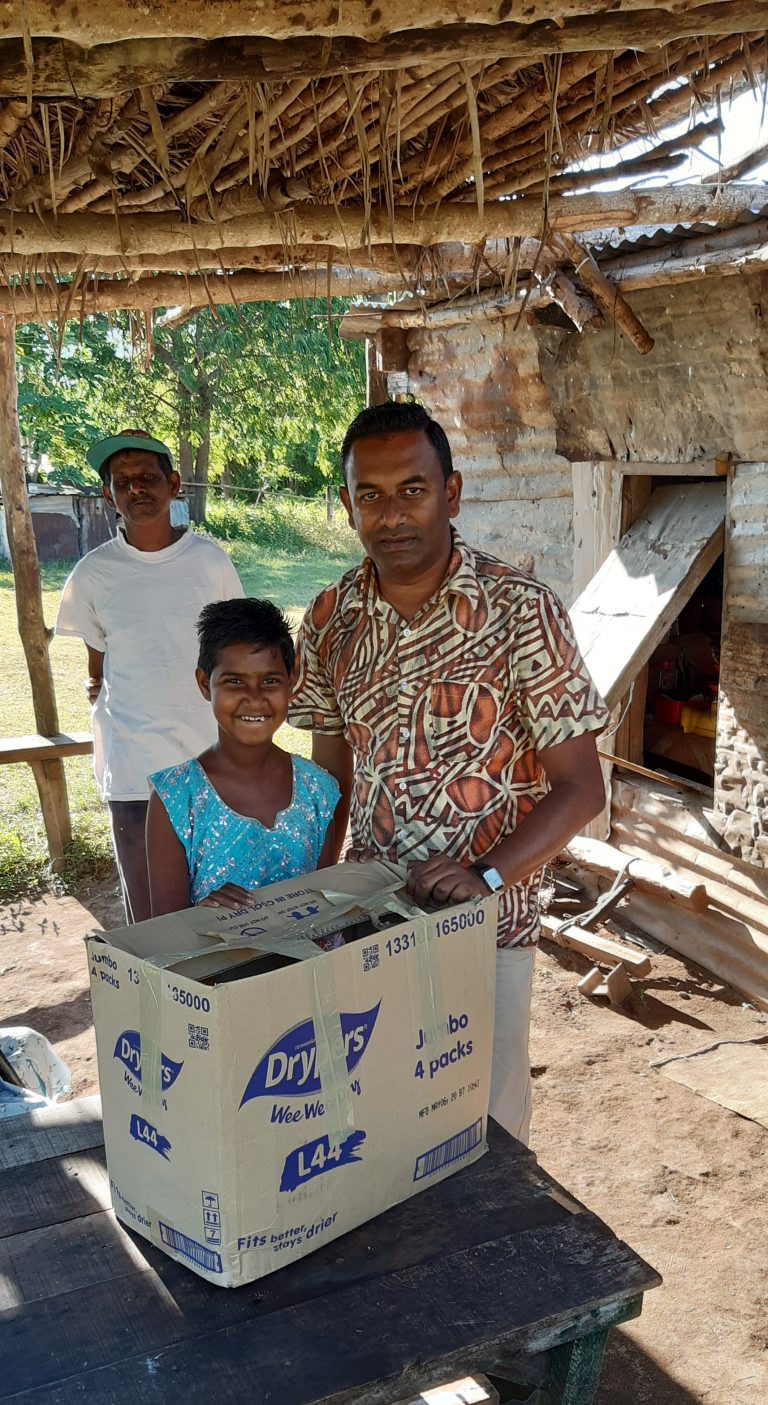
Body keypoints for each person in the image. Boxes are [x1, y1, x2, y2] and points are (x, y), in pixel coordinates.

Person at [289, 401, 608, 1144]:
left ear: (452, 492)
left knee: (487, 1126)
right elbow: (330, 776)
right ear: (348, 506)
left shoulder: (521, 612)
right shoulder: (332, 618)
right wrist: (313, 897)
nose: (392, 514)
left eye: (413, 489)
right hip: (370, 918)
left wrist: (486, 877)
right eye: (370, 495)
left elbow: (582, 787)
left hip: (487, 928)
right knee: (376, 1121)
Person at [55, 429, 243, 925]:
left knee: (221, 906)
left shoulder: (209, 562)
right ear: (108, 494)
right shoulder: (93, 574)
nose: (136, 488)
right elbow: (97, 662)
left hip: (207, 762)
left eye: (147, 477)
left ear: (173, 484)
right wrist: (100, 691)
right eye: (122, 482)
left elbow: (235, 652)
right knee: (151, 918)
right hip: (134, 770)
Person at [146, 598, 339, 915]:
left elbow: (326, 907)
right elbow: (166, 931)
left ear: (291, 681)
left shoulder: (318, 788)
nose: (254, 698)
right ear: (205, 684)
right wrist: (201, 915)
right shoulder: (177, 798)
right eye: (234, 681)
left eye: (270, 681)